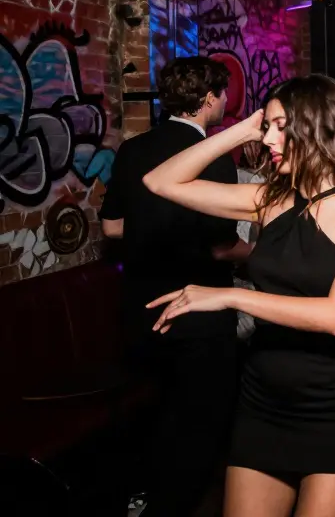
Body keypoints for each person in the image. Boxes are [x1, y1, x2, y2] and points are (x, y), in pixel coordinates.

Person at [142, 74, 335, 516]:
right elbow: (161, 182)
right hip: (263, 400)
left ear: (317, 129)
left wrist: (231, 297)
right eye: (267, 127)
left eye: (281, 127)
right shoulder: (269, 199)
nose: (268, 139)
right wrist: (239, 130)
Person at [99, 56, 240, 517]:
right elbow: (222, 248)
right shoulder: (215, 157)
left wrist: (152, 226)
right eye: (222, 93)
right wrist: (266, 255)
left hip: (139, 308)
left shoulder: (132, 149)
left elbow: (112, 228)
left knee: (154, 410)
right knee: (201, 421)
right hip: (197, 316)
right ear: (208, 99)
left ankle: (140, 495)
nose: (225, 100)